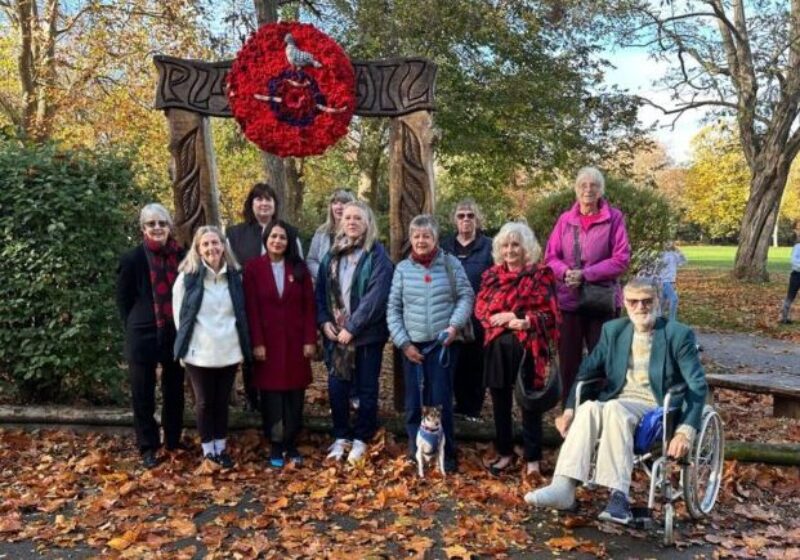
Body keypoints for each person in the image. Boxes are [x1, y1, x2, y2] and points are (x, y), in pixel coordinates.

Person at [525, 278, 707, 526]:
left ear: (658, 302)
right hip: (618, 401)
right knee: (588, 408)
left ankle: (619, 496)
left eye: (647, 301)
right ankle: (563, 488)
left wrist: (685, 432)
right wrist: (569, 411)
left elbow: (697, 385)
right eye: (634, 302)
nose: (640, 307)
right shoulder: (614, 330)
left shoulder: (678, 334)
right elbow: (586, 373)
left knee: (613, 409)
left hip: (655, 407)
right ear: (625, 303)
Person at [387, 214, 475, 473]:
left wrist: (454, 326)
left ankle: (446, 454)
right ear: (411, 239)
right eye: (416, 236)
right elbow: (393, 308)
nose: (421, 240)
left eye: (426, 236)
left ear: (435, 238)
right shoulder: (402, 269)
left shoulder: (450, 265)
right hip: (412, 346)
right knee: (414, 402)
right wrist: (403, 343)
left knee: (441, 401)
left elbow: (466, 296)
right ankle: (417, 452)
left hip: (443, 345)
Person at [474, 222, 560, 477]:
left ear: (526, 248)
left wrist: (522, 318)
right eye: (506, 245)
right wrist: (496, 320)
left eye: (516, 245)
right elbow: (481, 309)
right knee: (500, 402)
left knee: (529, 402)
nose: (510, 250)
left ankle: (532, 458)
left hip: (528, 347)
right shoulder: (491, 276)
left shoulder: (541, 275)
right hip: (497, 346)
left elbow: (551, 314)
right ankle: (505, 453)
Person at [544, 166, 630, 404]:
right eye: (583, 185)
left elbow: (621, 259)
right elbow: (550, 257)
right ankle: (569, 412)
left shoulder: (614, 218)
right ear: (576, 190)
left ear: (601, 190)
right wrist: (566, 273)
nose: (588, 190)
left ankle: (600, 411)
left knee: (602, 361)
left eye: (593, 185)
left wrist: (586, 274)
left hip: (600, 300)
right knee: (568, 362)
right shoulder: (565, 220)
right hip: (568, 301)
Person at [316, 201, 393, 463]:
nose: (351, 222)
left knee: (367, 389)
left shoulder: (377, 255)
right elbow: (320, 293)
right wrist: (324, 320)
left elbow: (376, 297)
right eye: (347, 217)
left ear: (367, 223)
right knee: (337, 387)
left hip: (367, 336)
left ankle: (361, 438)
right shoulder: (332, 254)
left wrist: (352, 327)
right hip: (336, 336)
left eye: (357, 218)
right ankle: (341, 436)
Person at [173, 226, 251, 468]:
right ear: (198, 249)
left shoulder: (235, 276)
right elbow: (180, 316)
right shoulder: (188, 277)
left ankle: (221, 446)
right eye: (205, 244)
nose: (211, 248)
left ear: (223, 246)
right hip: (199, 351)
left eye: (215, 243)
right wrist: (185, 346)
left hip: (228, 350)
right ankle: (208, 450)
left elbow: (242, 312)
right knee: (205, 402)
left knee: (221, 401)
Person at [116, 203, 185, 469]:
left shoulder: (182, 256)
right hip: (142, 332)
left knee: (174, 389)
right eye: (151, 224)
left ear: (169, 226)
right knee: (142, 391)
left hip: (174, 331)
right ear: (143, 228)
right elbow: (124, 299)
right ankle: (148, 445)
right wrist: (134, 323)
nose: (157, 228)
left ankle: (173, 440)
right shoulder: (132, 259)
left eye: (162, 223)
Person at [243, 220, 317, 468]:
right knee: (272, 395)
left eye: (282, 237)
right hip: (268, 344)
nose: (277, 241)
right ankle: (275, 444)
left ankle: (290, 442)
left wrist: (309, 339)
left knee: (295, 395)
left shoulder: (299, 268)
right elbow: (251, 309)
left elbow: (309, 306)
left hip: (296, 343)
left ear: (289, 242)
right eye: (273, 236)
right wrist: (257, 343)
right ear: (266, 240)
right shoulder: (253, 269)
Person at [227, 183, 303, 411]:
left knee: (280, 352)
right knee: (253, 353)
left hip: (282, 307)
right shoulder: (235, 234)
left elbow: (298, 268)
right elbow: (230, 267)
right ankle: (253, 401)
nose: (264, 203)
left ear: (275, 205)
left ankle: (281, 401)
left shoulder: (288, 233)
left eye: (269, 199)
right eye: (259, 199)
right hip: (247, 304)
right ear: (251, 204)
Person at [441, 199, 494, 421]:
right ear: (455, 220)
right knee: (453, 362)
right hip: (449, 315)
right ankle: (456, 407)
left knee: (475, 364)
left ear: (477, 219)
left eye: (470, 216)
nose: (465, 220)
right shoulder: (444, 246)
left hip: (479, 315)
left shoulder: (489, 247)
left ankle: (472, 409)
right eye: (461, 215)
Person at [306, 188, 357, 285]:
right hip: (324, 288)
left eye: (343, 202)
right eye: (335, 202)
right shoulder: (321, 232)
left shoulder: (356, 233)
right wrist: (324, 275)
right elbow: (311, 260)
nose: (339, 206)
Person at [657, 241, 687, 322]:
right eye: (666, 242)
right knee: (674, 299)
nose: (668, 244)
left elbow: (684, 262)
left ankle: (659, 320)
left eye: (669, 242)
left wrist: (679, 251)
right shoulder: (659, 254)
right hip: (663, 281)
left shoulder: (673, 254)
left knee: (662, 303)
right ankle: (671, 320)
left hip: (671, 281)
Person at [779, 234, 800, 324]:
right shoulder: (797, 247)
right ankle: (784, 317)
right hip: (797, 275)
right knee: (790, 296)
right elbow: (793, 260)